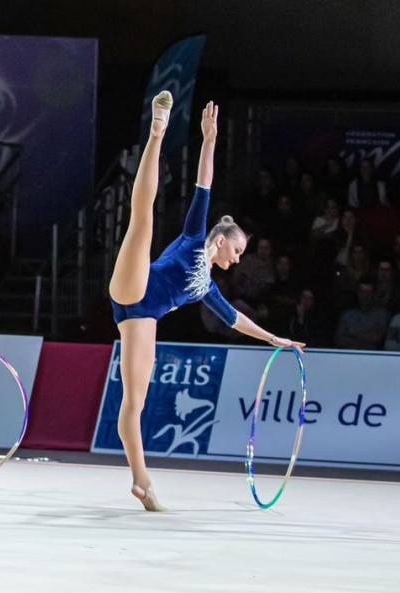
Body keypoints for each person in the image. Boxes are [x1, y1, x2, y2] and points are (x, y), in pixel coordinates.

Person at [108, 95, 302, 512]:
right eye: (238, 250)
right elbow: (204, 187)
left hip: (140, 316)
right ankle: (157, 132)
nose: (238, 258)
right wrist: (209, 141)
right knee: (142, 221)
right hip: (135, 287)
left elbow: (234, 319)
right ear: (220, 239)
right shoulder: (198, 239)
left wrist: (273, 339)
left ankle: (141, 482)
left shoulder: (205, 288)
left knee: (135, 401)